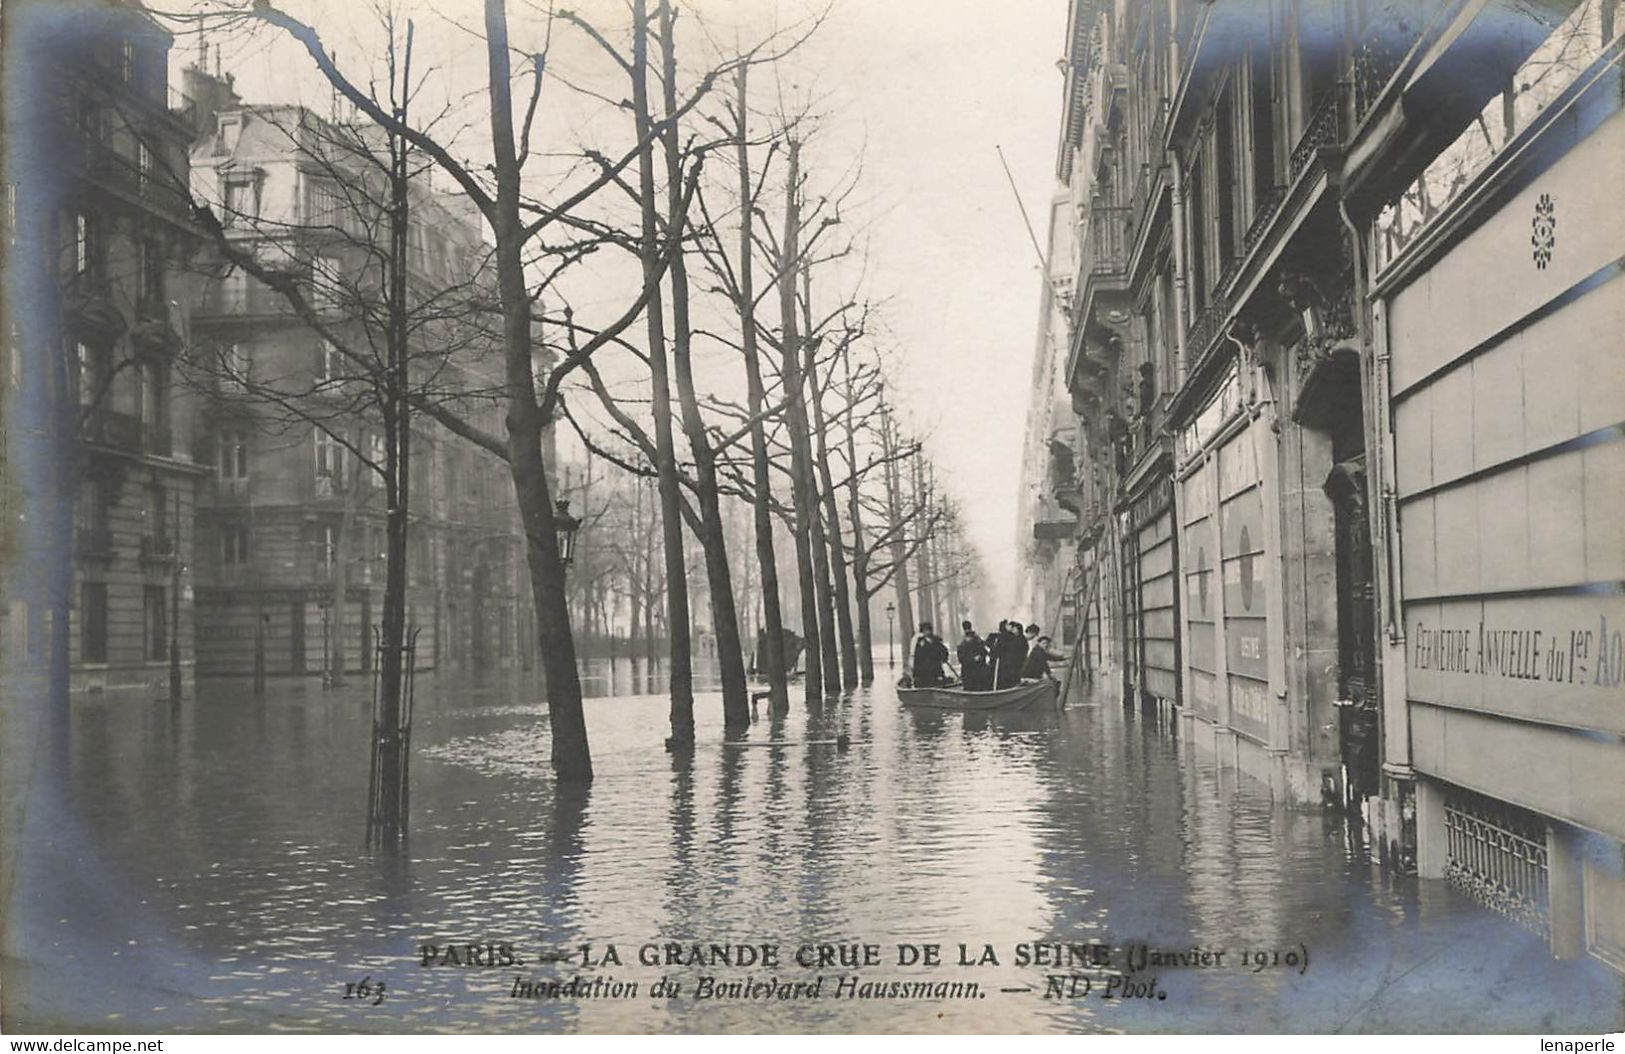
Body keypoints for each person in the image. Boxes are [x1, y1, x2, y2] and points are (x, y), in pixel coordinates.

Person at [910, 621, 951, 688]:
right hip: (924, 671)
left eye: (928, 630)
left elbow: (944, 651)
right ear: (922, 632)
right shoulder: (920, 643)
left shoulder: (936, 641)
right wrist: (916, 674)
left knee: (937, 682)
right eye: (925, 631)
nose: (927, 632)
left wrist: (944, 658)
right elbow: (917, 659)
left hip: (936, 668)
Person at [957, 622, 991, 691]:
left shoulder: (963, 643)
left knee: (973, 686)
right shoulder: (977, 640)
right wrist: (975, 658)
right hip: (972, 670)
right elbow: (985, 651)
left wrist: (978, 658)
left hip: (973, 670)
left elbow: (961, 658)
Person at [996, 620, 1029, 689]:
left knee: (1011, 678)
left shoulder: (1019, 639)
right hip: (1012, 663)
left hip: (1014, 663)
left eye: (1014, 629)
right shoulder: (1017, 638)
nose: (1012, 630)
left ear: (1018, 630)